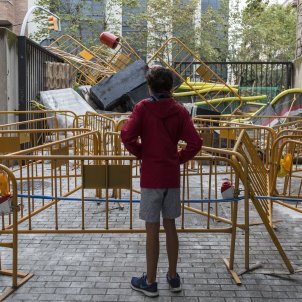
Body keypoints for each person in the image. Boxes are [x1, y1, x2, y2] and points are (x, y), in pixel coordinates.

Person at [121, 65, 202, 297]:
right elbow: (195, 143)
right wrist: (177, 158)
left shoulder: (143, 108)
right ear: (171, 87)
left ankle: (151, 281)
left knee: (152, 230)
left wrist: (142, 153)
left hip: (150, 177)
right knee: (171, 226)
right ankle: (173, 277)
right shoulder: (179, 110)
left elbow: (126, 135)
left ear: (149, 87)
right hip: (171, 176)